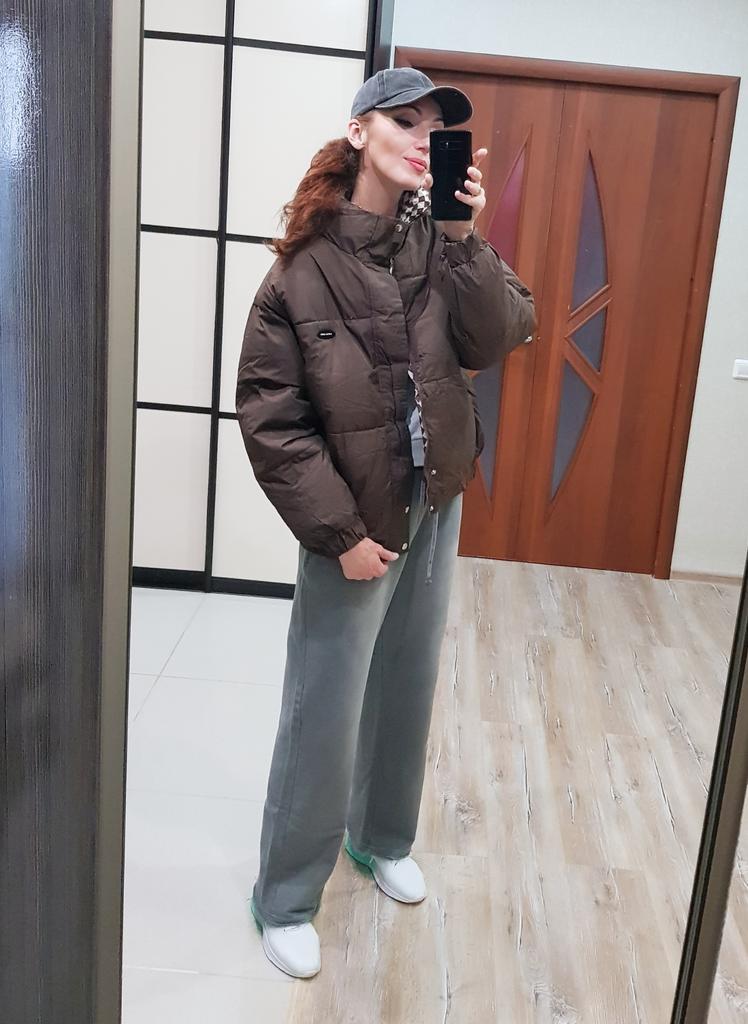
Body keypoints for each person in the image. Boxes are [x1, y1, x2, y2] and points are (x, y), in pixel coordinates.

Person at [235, 67, 536, 979]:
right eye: (404, 121)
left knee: (407, 683)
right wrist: (338, 534)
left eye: (436, 128)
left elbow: (502, 335)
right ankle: (287, 895)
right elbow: (273, 420)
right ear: (360, 131)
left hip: (435, 500)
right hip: (354, 522)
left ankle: (381, 838)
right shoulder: (299, 271)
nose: (422, 138)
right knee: (324, 708)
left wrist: (465, 237)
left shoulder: (442, 244)